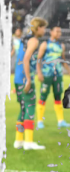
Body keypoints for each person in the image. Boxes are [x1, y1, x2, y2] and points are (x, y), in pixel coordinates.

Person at [13, 17, 47, 150]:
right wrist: (28, 79)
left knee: (22, 109)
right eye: (43, 28)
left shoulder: (24, 39)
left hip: (17, 78)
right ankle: (28, 142)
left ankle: (18, 140)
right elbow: (26, 58)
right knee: (30, 108)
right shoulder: (34, 40)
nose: (44, 31)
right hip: (25, 79)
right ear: (38, 28)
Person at [36, 24, 70, 129]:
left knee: (58, 97)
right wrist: (39, 73)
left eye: (60, 32)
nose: (59, 33)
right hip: (47, 75)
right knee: (43, 96)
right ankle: (39, 121)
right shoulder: (45, 44)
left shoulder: (61, 45)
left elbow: (62, 59)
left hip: (58, 75)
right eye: (57, 31)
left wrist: (69, 70)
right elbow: (38, 59)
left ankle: (61, 121)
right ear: (51, 32)